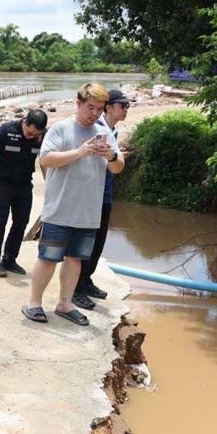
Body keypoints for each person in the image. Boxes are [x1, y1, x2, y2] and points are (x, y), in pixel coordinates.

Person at [22, 83, 124, 327]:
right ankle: (34, 303)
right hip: (60, 210)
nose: (95, 113)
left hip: (89, 212)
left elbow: (118, 166)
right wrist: (81, 152)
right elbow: (45, 159)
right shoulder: (61, 129)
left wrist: (110, 155)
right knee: (48, 258)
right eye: (91, 107)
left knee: (76, 259)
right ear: (77, 104)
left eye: (100, 109)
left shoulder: (105, 132)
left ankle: (65, 303)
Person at [73, 88, 129, 310]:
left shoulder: (111, 131)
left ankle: (86, 281)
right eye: (122, 106)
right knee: (83, 245)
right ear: (109, 107)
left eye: (128, 106)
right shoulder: (97, 130)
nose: (126, 110)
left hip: (105, 194)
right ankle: (76, 289)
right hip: (91, 196)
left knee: (98, 244)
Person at [0, 108, 47, 277]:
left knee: (21, 221)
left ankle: (9, 259)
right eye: (29, 132)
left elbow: (44, 161)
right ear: (24, 122)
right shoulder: (7, 130)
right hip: (2, 182)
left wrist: (50, 184)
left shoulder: (43, 136)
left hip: (24, 184)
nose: (30, 137)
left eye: (35, 135)